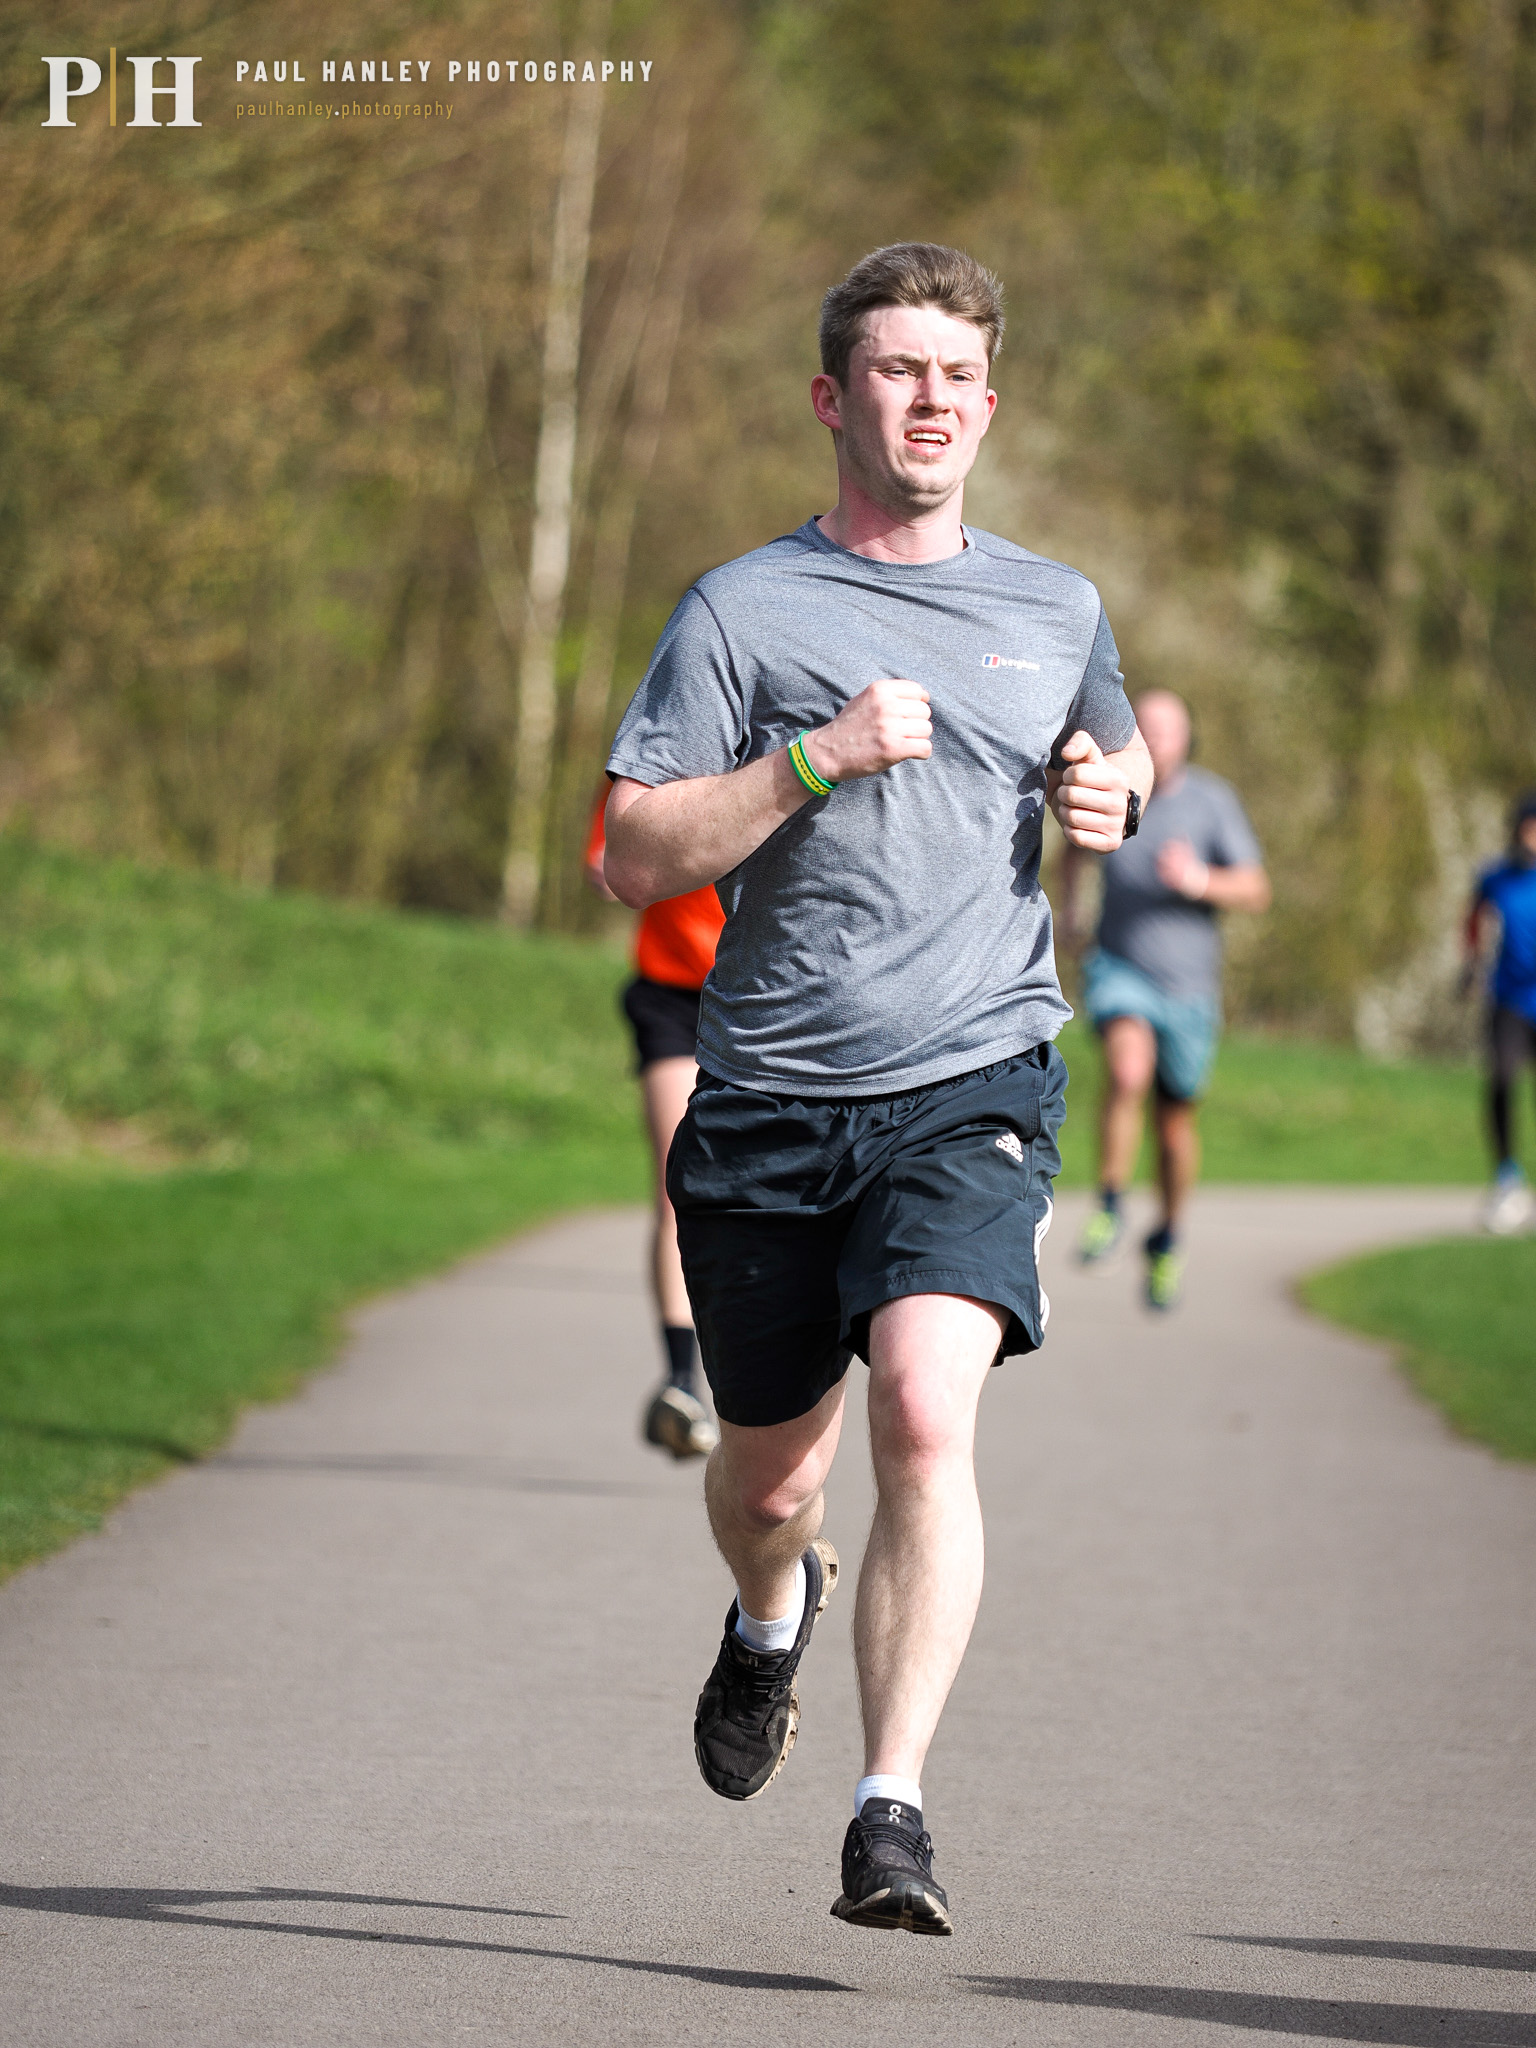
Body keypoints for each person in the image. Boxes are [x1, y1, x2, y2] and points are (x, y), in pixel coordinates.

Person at [602, 242, 1152, 1937]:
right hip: (768, 1096)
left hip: (971, 1074)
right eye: (899, 372)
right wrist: (812, 756)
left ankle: (889, 1806)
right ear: (835, 398)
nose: (934, 402)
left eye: (960, 376)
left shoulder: (1054, 605)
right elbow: (629, 852)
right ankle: (768, 1615)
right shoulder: (740, 608)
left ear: (989, 404)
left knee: (926, 1407)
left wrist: (1111, 793)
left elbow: (1112, 745)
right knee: (772, 1482)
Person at [1060, 689, 1268, 1308]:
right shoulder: (1115, 783)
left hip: (1190, 988)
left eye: (1168, 729)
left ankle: (1169, 1237)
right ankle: (1110, 1203)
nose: (1156, 737)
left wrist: (1199, 880)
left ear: (1186, 738)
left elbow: (1256, 888)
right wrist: (1072, 912)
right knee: (1127, 1073)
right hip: (1121, 967)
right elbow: (1074, 849)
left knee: (1175, 1127)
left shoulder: (1213, 802)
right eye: (1146, 727)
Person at [585, 797, 724, 1458]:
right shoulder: (652, 755)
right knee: (679, 1184)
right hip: (673, 994)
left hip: (771, 994)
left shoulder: (795, 739)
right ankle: (680, 1384)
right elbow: (611, 861)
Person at [1461, 790, 1536, 1234]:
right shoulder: (1496, 878)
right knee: (1503, 1080)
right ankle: (1507, 1178)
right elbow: (1473, 921)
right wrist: (1471, 966)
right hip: (1509, 999)